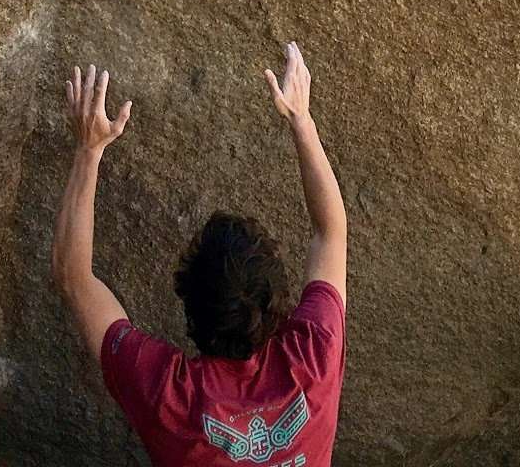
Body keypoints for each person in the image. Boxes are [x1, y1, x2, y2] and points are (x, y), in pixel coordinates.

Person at [51, 44, 348, 467]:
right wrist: (302, 119)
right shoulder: (313, 359)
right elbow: (331, 235)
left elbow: (73, 277)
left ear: (188, 306)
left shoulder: (171, 398)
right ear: (279, 304)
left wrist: (88, 151)